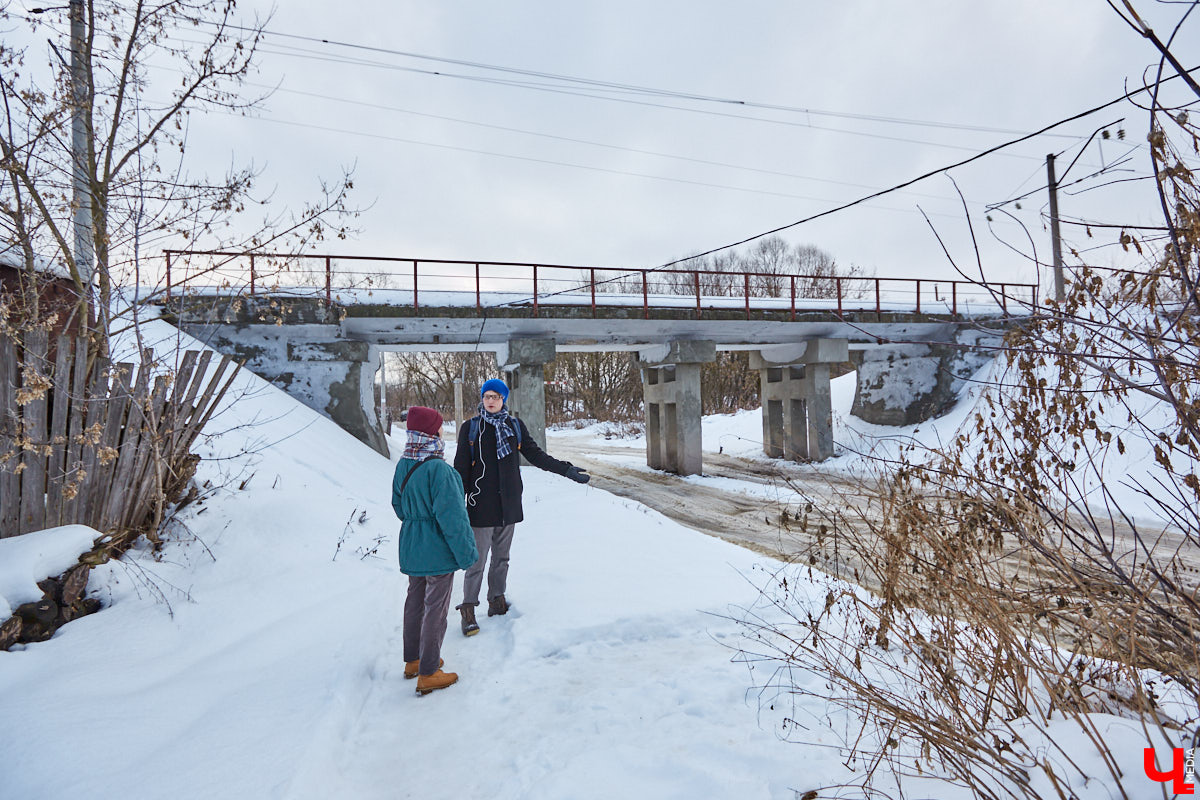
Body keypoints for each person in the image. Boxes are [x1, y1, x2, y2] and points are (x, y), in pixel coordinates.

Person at [453, 378, 591, 636]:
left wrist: (566, 469)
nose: (490, 400)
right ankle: (469, 608)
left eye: (495, 396)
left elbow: (536, 455)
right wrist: (455, 502)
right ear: (482, 399)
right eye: (486, 396)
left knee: (502, 558)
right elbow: (460, 468)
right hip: (480, 504)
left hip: (508, 503)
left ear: (504, 399)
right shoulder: (471, 429)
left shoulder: (514, 426)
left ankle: (497, 599)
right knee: (476, 561)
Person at [391, 406, 478, 695]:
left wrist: (417, 523)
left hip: (411, 545)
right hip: (437, 549)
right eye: (440, 426)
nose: (443, 430)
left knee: (414, 603)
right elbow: (453, 518)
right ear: (432, 431)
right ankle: (429, 672)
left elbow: (399, 507)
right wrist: (467, 555)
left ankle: (413, 660)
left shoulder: (404, 463)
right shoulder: (440, 469)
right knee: (435, 610)